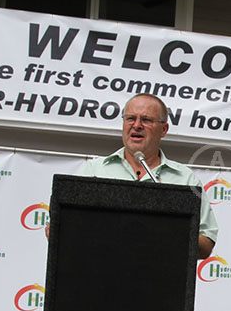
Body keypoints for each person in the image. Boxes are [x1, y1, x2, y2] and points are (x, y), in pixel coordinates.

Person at [76, 93, 218, 259]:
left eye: (146, 120)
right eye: (130, 118)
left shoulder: (185, 179)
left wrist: (172, 229)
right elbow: (61, 225)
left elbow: (206, 244)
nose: (137, 125)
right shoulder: (94, 170)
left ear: (164, 129)